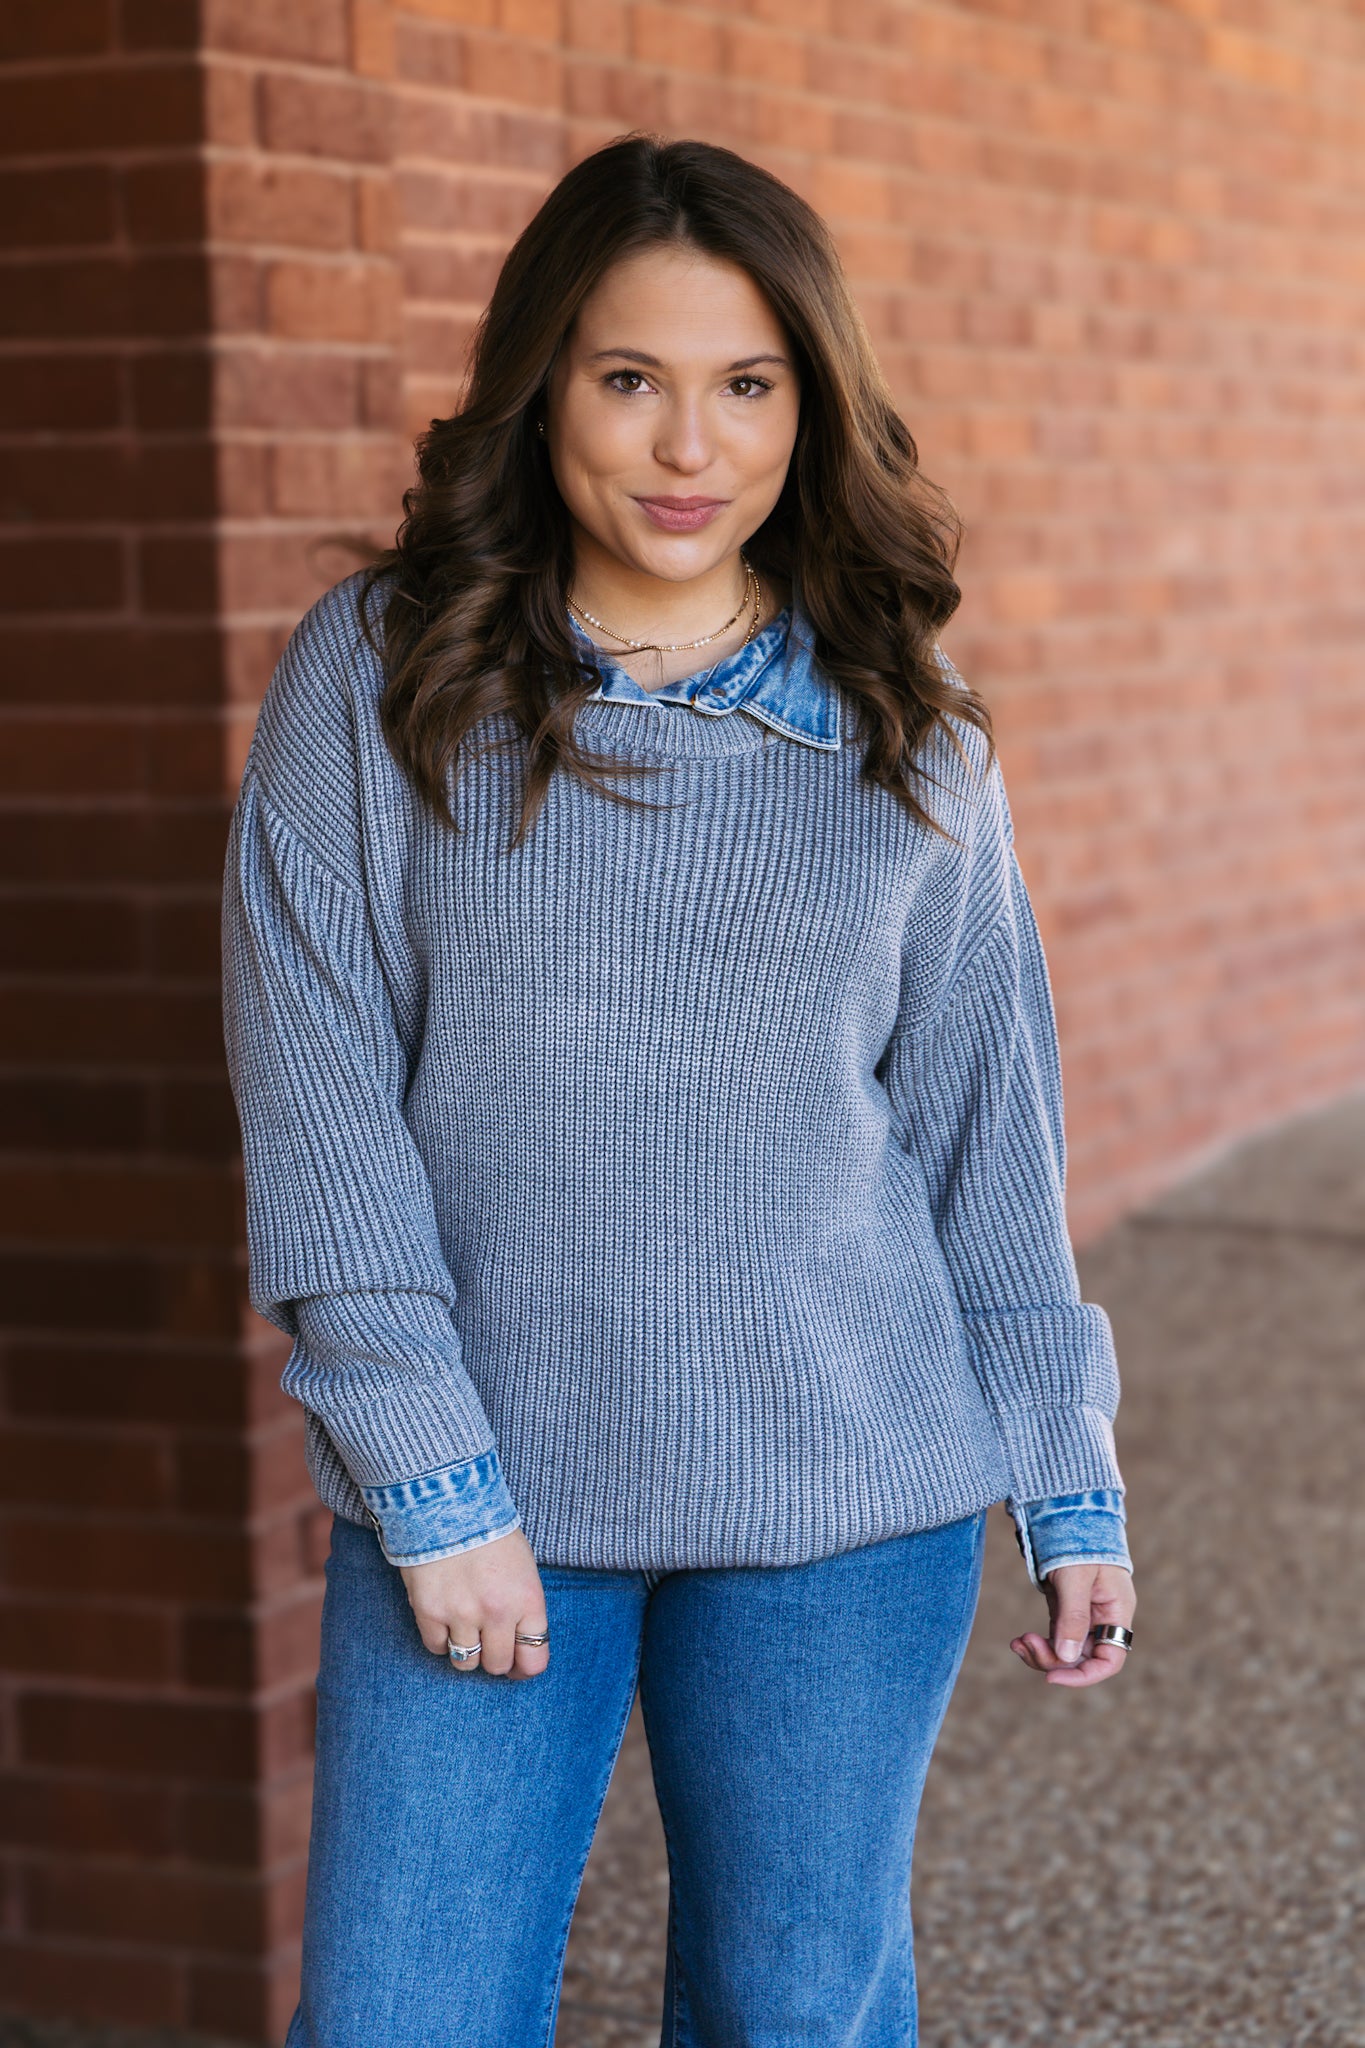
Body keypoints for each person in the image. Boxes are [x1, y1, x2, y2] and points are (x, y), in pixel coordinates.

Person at [222, 132, 1136, 2048]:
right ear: (542, 378)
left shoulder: (907, 731)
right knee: (401, 2018)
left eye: (746, 387)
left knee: (793, 2017)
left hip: (842, 1487)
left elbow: (984, 1127)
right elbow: (319, 1104)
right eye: (629, 378)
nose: (684, 448)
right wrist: (430, 1477)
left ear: (811, 407)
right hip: (485, 1495)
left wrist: (1063, 1475)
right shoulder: (381, 680)